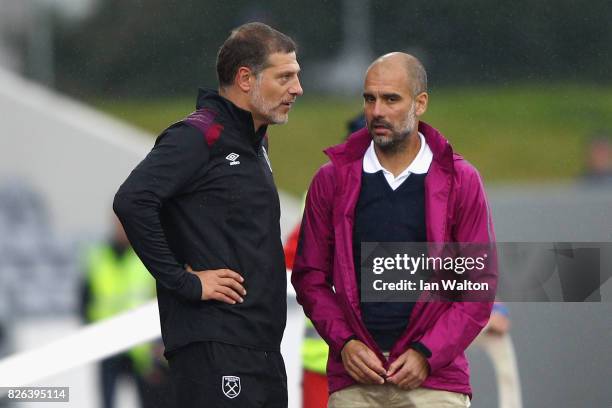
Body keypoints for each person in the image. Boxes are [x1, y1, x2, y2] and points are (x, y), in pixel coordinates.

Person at [113, 22, 302, 408]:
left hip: (260, 349)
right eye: (285, 77)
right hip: (215, 350)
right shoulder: (199, 135)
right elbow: (132, 200)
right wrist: (184, 281)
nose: (297, 89)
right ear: (245, 79)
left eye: (296, 77)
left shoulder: (254, 140)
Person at [291, 52, 495, 407]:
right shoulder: (331, 180)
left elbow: (477, 287)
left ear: (421, 103)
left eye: (391, 99)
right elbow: (310, 276)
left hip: (434, 381)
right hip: (355, 380)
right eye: (370, 99)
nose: (377, 111)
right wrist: (346, 343)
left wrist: (426, 354)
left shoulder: (462, 180)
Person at [80, 217, 172, 408]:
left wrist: (159, 343)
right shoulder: (97, 257)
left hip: (141, 350)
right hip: (106, 345)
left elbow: (160, 302)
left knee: (150, 401)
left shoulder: (146, 257)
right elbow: (85, 300)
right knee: (107, 401)